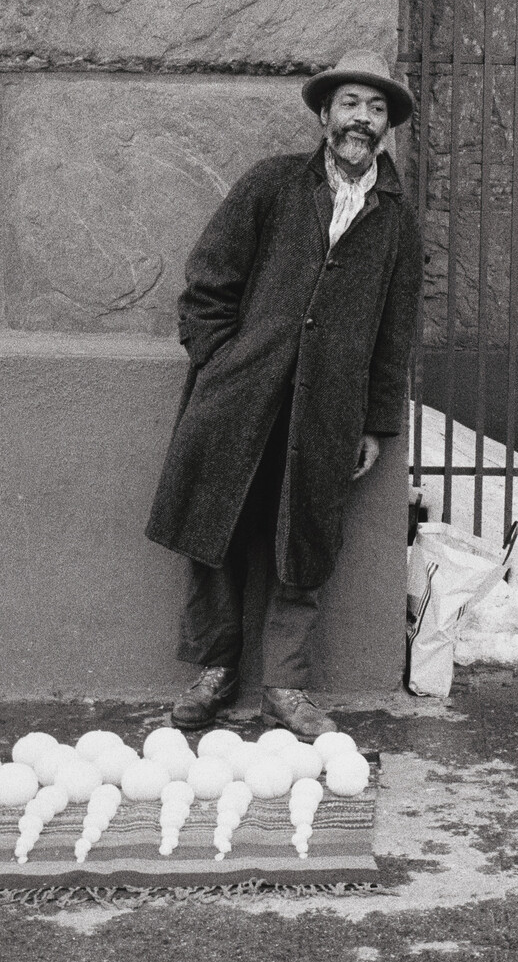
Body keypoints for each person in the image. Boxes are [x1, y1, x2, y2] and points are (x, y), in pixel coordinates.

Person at [145, 50, 422, 739]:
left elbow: (395, 332)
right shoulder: (271, 185)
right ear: (326, 113)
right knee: (218, 529)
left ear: (387, 127)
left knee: (302, 543)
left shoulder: (394, 218)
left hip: (327, 410)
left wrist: (377, 424)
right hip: (240, 398)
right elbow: (207, 282)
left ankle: (286, 687)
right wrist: (219, 364)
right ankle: (214, 671)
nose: (363, 119)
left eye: (377, 108)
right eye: (352, 104)